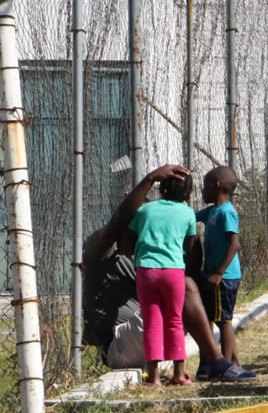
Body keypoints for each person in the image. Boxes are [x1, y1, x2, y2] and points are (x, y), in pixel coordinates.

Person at [82, 165, 257, 382]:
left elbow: (190, 259)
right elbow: (119, 221)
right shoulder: (98, 247)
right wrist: (150, 179)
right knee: (184, 287)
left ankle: (203, 365)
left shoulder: (146, 253)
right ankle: (217, 362)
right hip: (119, 344)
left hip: (148, 340)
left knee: (187, 288)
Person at [127, 174, 197, 386]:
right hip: (173, 270)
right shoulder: (187, 212)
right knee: (175, 320)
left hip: (147, 270)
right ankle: (178, 374)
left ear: (162, 187)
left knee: (152, 322)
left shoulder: (146, 210)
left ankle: (154, 377)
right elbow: (190, 243)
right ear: (188, 192)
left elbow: (131, 234)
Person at [196, 166, 244, 375]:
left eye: (204, 186)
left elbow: (234, 244)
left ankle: (225, 366)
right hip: (212, 274)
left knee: (224, 320)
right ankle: (216, 362)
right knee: (208, 317)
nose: (201, 191)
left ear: (216, 186)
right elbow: (191, 216)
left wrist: (219, 273)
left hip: (224, 277)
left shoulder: (227, 212)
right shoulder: (212, 211)